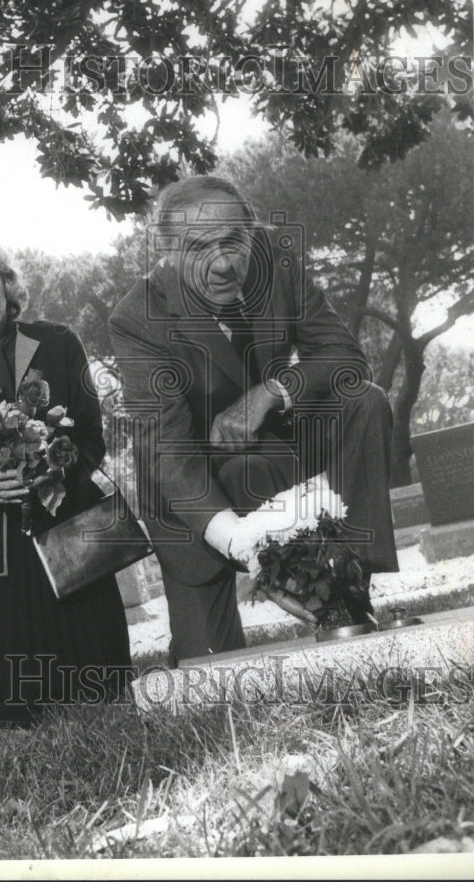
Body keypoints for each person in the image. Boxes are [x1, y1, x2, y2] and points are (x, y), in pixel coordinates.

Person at [109, 175, 399, 665]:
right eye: (199, 248)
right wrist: (248, 547)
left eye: (233, 242)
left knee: (364, 400)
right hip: (196, 489)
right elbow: (168, 449)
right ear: (167, 250)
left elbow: (346, 358)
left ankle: (346, 582)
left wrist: (273, 390)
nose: (223, 264)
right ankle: (251, 599)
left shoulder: (275, 258)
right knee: (209, 671)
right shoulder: (136, 318)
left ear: (253, 231)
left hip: (280, 450)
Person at [0, 234, 131, 723]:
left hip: (69, 536)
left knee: (101, 702)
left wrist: (50, 466)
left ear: (7, 281)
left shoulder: (59, 341)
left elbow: (94, 438)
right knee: (5, 718)